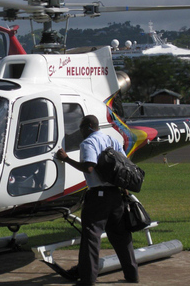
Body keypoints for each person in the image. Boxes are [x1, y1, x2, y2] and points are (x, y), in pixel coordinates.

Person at [56, 115, 139, 285]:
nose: (81, 132)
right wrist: (124, 193)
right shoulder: (112, 140)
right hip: (116, 195)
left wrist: (66, 159)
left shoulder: (88, 143)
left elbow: (89, 166)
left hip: (98, 197)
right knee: (122, 237)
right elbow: (124, 167)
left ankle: (87, 281)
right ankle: (132, 275)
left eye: (81, 128)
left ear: (88, 126)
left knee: (91, 239)